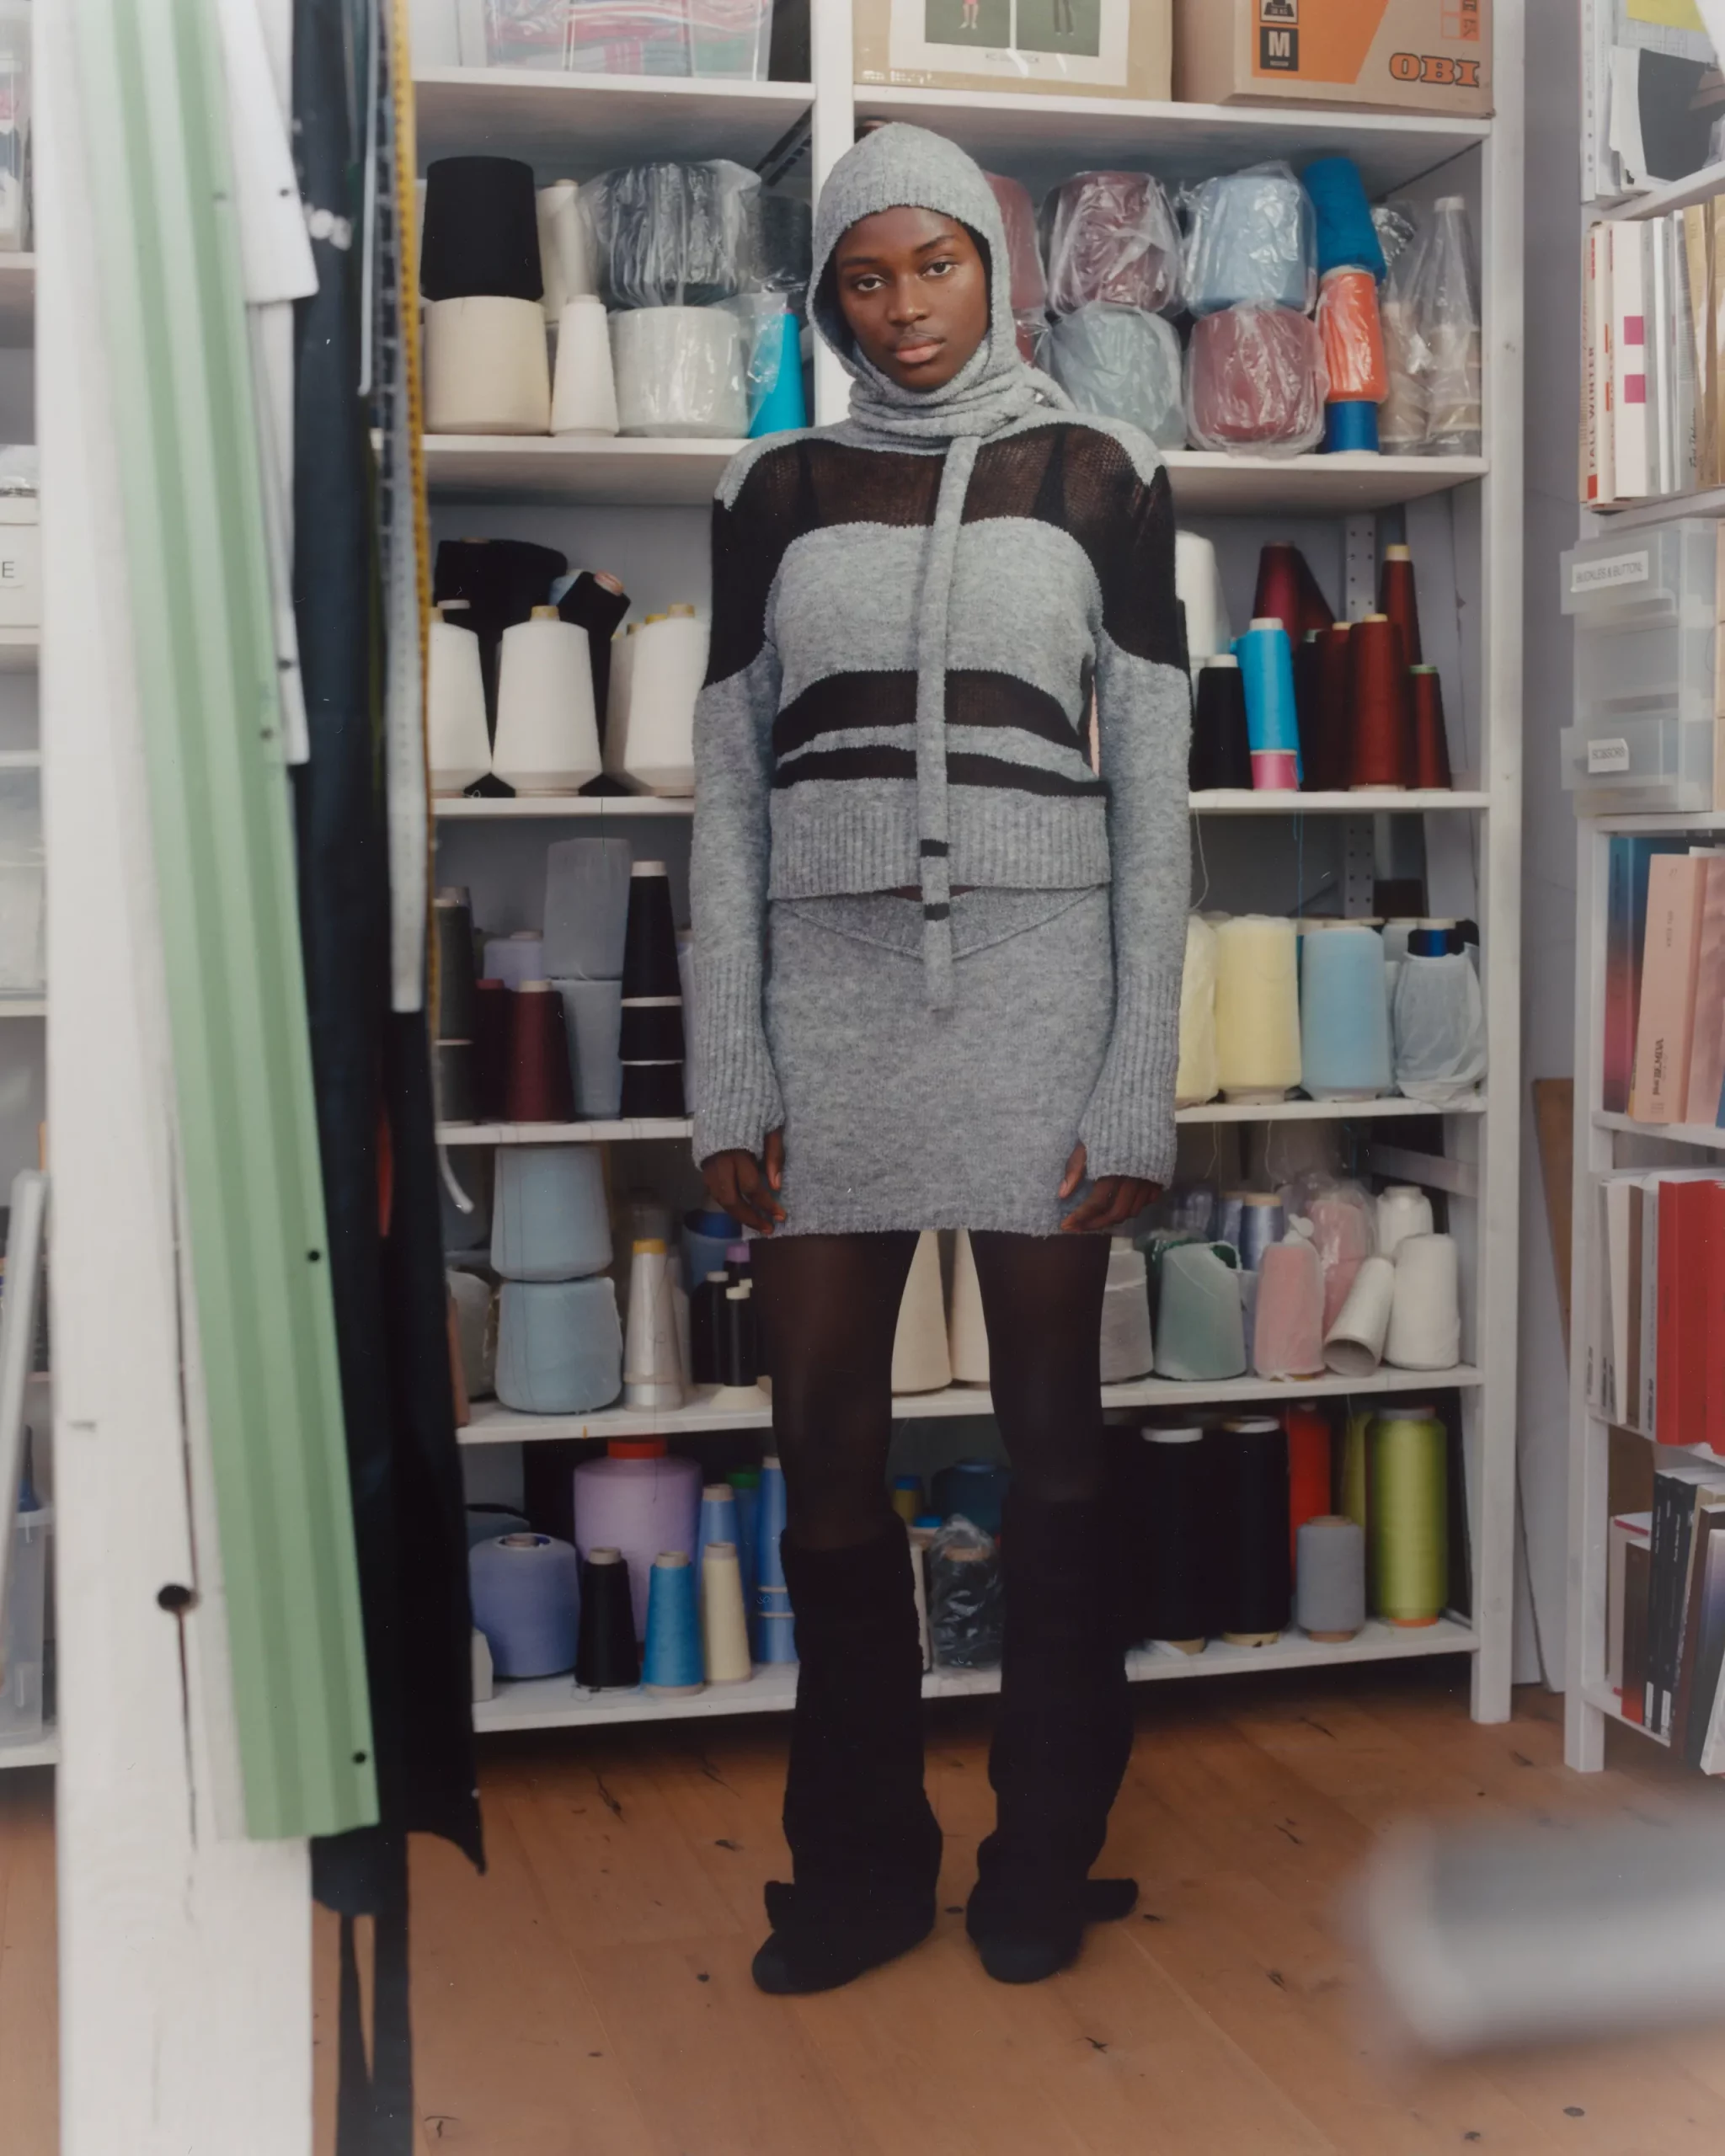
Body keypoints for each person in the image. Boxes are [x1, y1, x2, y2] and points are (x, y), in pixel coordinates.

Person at [690, 125, 1189, 1995]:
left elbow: (1155, 798)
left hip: (1046, 995)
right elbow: (726, 793)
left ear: (999, 265)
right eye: (865, 278)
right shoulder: (770, 485)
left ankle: (1043, 1848)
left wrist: (1133, 1073)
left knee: (1056, 1458)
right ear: (827, 297)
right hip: (824, 1012)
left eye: (937, 265)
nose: (904, 308)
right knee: (822, 1452)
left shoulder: (1103, 471)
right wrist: (728, 1071)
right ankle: (861, 1863)